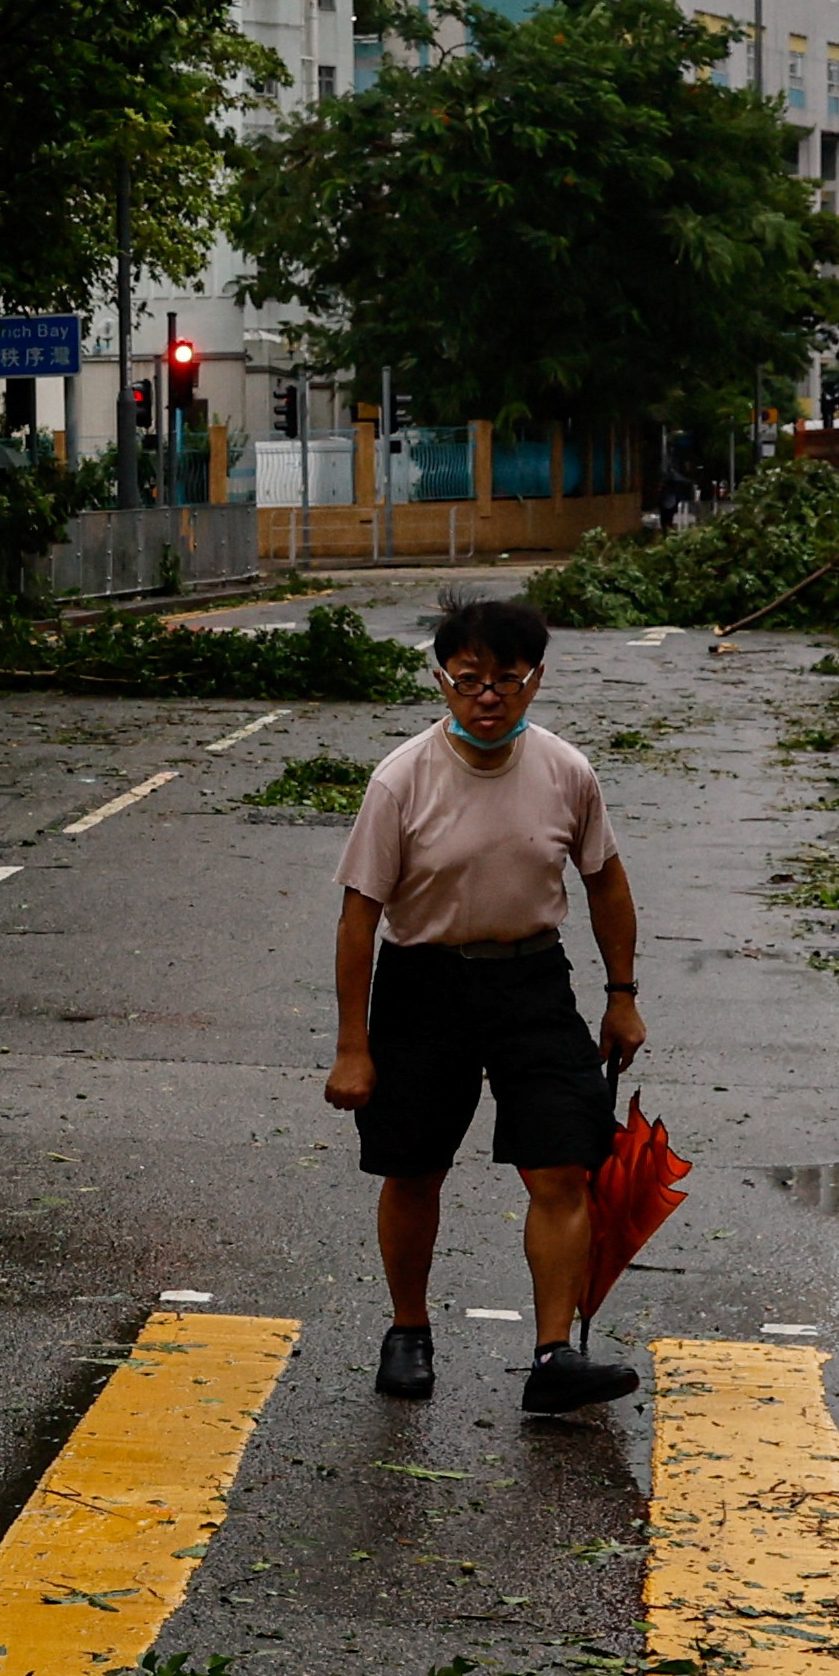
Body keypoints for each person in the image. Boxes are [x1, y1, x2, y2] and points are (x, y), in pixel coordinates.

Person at [320, 594, 646, 1415]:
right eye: (470, 679)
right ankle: (407, 1332)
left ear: (536, 681)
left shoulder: (567, 773)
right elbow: (359, 917)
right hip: (423, 983)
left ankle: (551, 1357)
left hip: (531, 981)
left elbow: (605, 882)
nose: (488, 696)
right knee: (413, 1166)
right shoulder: (401, 781)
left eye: (507, 678)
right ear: (442, 680)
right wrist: (352, 1045)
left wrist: (623, 995)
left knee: (562, 1164)